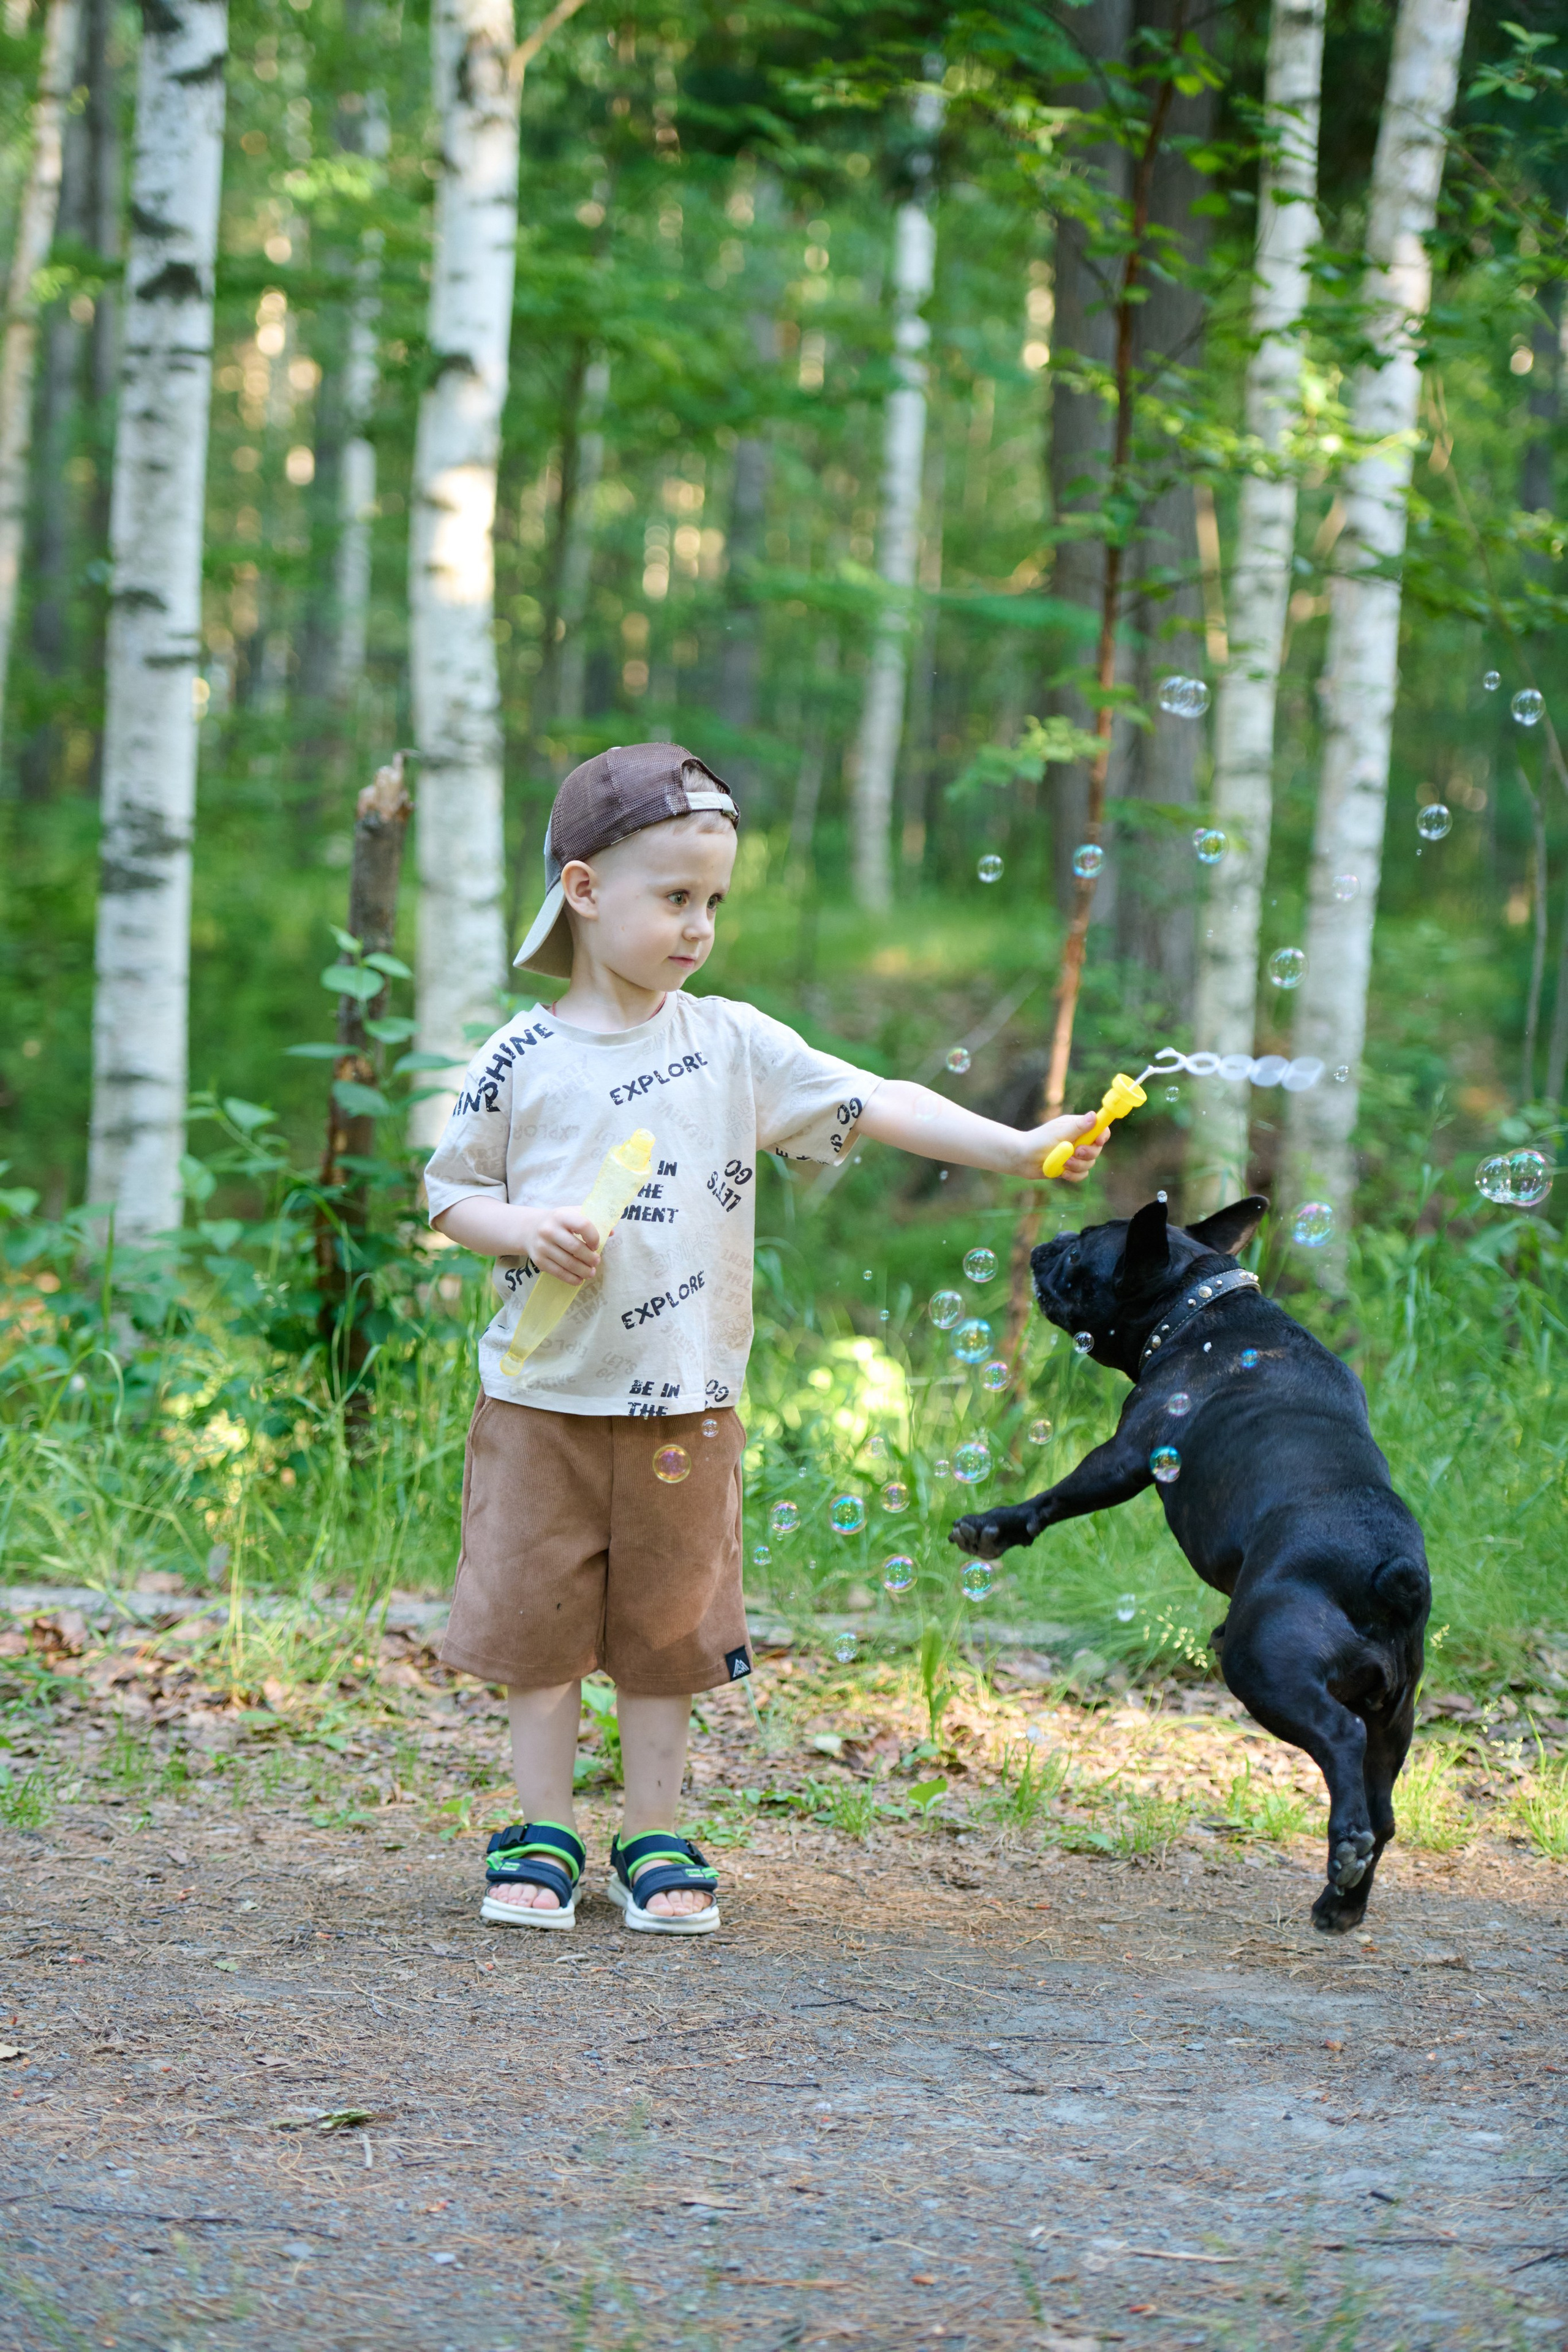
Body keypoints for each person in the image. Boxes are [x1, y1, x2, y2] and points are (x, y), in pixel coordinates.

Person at [425, 743, 1106, 1935]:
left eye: (714, 902)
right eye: (674, 898)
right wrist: (520, 1229)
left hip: (682, 1403)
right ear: (583, 891)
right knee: (536, 1631)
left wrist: (1014, 1145)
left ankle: (653, 1834)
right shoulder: (519, 1058)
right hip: (539, 1402)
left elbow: (876, 1097)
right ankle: (539, 1832)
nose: (699, 926)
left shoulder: (730, 1044)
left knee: (665, 1633)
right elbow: (446, 1196)